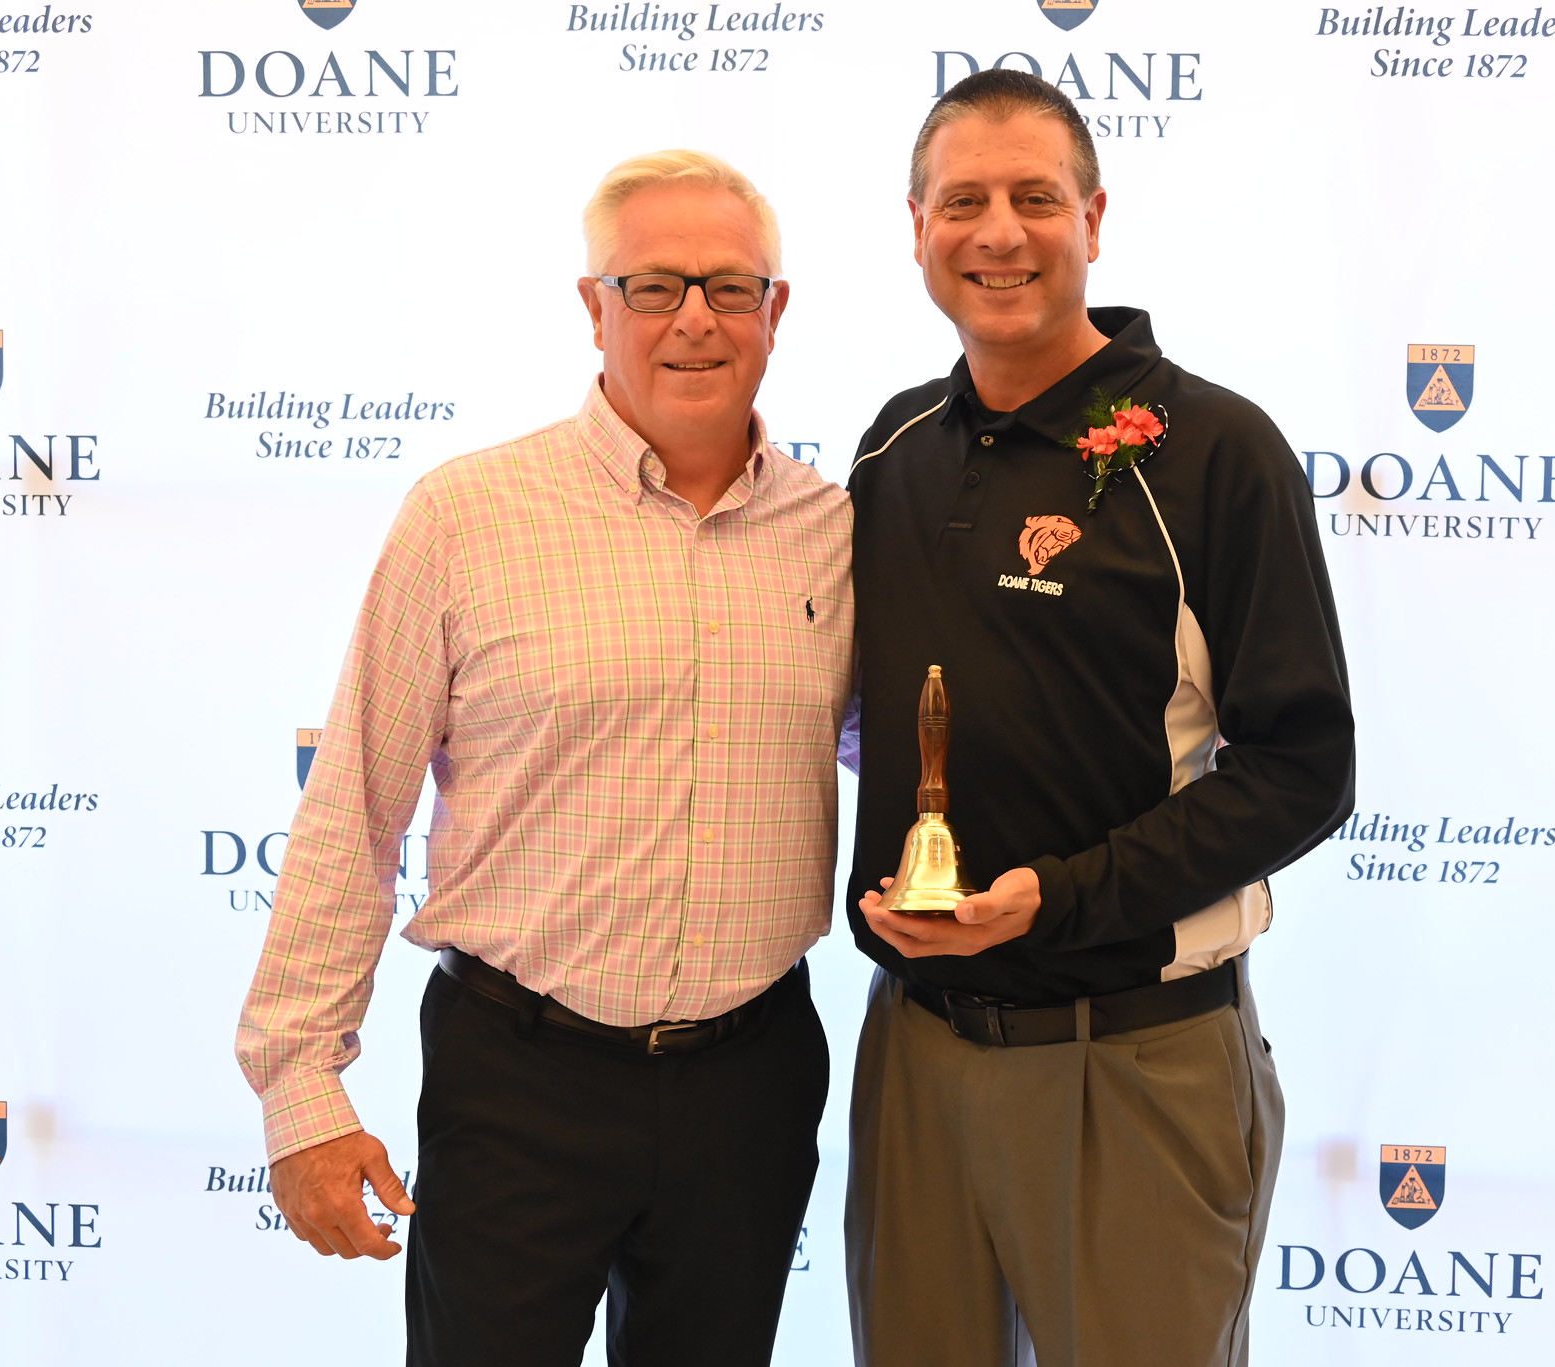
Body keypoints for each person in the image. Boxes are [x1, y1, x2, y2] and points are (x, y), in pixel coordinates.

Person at [235, 149, 852, 1367]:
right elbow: (355, 802)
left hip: (755, 1076)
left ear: (776, 312)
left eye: (731, 288)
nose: (694, 320)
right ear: (593, 307)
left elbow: (915, 755)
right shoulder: (465, 514)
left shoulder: (834, 531)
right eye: (654, 285)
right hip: (521, 1080)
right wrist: (300, 1083)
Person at [841, 71, 1356, 1367]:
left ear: (1095, 217)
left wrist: (1059, 896)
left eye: (1035, 198)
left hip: (1134, 1055)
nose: (999, 232)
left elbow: (1304, 768)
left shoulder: (1214, 451)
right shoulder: (890, 450)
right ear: (915, 227)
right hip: (916, 1049)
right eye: (963, 201)